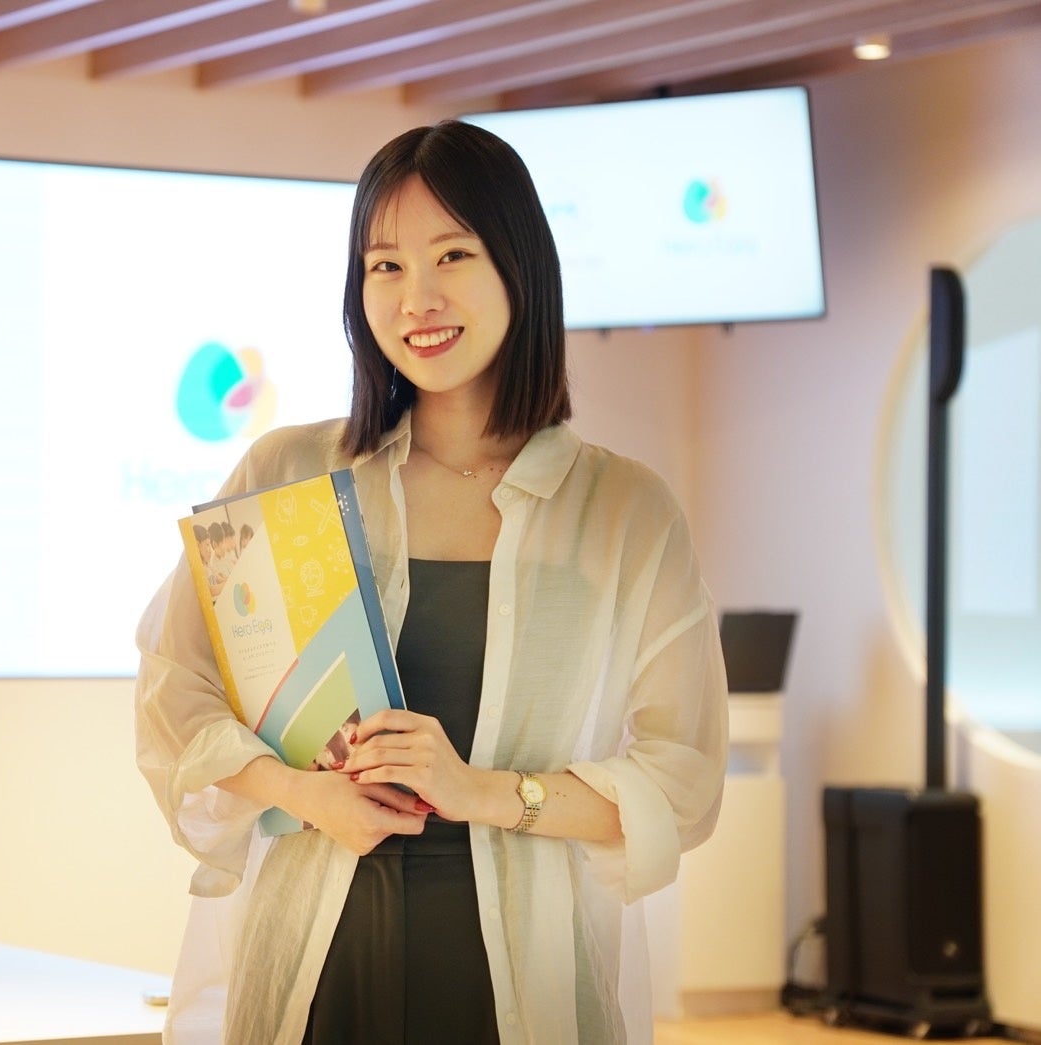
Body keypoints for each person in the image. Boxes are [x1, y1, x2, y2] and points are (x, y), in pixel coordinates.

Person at [134, 120, 728, 1045]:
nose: (418, 298)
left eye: (452, 255)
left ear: (519, 268)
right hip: (313, 967)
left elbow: (679, 777)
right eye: (385, 266)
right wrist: (300, 792)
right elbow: (178, 694)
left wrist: (483, 791)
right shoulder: (288, 472)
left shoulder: (623, 511)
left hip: (521, 979)